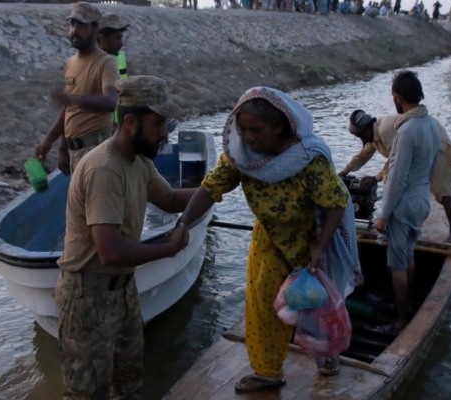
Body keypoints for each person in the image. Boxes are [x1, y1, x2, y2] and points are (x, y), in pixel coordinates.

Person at [177, 87, 362, 392]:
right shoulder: (240, 157)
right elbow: (210, 189)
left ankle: (325, 354)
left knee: (315, 305)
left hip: (310, 237)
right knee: (263, 303)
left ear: (279, 127)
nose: (249, 137)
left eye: (257, 130)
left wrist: (320, 245)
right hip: (269, 237)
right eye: (243, 129)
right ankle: (267, 371)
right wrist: (184, 222)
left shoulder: (308, 159)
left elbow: (336, 202)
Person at [55, 75, 192, 400]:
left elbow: (170, 200)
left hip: (123, 292)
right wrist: (167, 249)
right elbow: (111, 252)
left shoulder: (139, 161)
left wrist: (218, 187)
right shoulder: (105, 169)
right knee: (87, 394)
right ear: (130, 122)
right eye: (158, 124)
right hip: (87, 296)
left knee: (127, 385)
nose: (164, 133)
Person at [374, 71, 440, 330]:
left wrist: (383, 216)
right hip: (421, 201)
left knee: (397, 266)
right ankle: (409, 302)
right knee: (408, 254)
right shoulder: (431, 123)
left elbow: (397, 179)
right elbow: (432, 165)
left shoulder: (408, 129)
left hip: (403, 205)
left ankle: (402, 319)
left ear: (397, 96)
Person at [339, 108, 451, 244]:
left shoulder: (385, 130)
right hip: (418, 146)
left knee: (441, 187)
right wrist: (344, 172)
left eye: (360, 136)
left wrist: (375, 178)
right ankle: (396, 223)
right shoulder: (373, 135)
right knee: (393, 181)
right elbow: (363, 155)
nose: (361, 139)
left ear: (367, 128)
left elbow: (393, 160)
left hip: (434, 141)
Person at [35, 2, 120, 175]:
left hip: (96, 151)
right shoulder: (70, 63)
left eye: (82, 25)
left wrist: (73, 99)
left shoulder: (106, 63)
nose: (75, 30)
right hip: (74, 152)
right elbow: (68, 111)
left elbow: (111, 102)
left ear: (95, 30)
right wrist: (54, 144)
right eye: (72, 24)